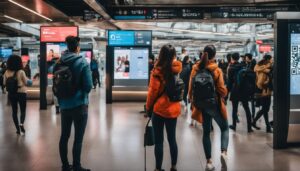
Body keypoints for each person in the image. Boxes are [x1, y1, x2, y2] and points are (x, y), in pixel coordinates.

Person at [188, 45, 229, 171]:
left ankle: (209, 162)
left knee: (206, 133)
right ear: (214, 56)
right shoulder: (216, 70)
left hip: (201, 105)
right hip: (214, 104)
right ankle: (223, 152)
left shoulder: (195, 68)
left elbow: (190, 89)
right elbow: (222, 91)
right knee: (224, 128)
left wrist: (192, 101)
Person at [57, 36, 93, 171]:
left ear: (67, 46)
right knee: (78, 138)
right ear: (78, 47)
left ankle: (65, 166)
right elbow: (88, 86)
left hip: (64, 105)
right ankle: (77, 166)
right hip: (79, 105)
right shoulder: (82, 62)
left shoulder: (59, 62)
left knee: (64, 136)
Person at [146, 44, 182, 171]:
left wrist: (148, 107)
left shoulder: (157, 72)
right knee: (172, 139)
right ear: (173, 56)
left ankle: (158, 168)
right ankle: (173, 166)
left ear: (161, 55)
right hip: (173, 109)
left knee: (159, 141)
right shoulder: (177, 70)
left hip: (159, 110)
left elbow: (152, 92)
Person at [3, 55, 32, 135]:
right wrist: (30, 81)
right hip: (21, 93)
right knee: (23, 110)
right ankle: (21, 124)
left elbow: (4, 83)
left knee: (14, 111)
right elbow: (26, 82)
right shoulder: (21, 72)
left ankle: (17, 130)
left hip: (12, 94)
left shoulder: (6, 72)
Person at [227, 52, 253, 133]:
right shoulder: (244, 66)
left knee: (234, 109)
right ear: (239, 58)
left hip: (235, 90)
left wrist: (227, 92)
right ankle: (249, 128)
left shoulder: (231, 68)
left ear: (232, 58)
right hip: (244, 90)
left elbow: (229, 82)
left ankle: (234, 125)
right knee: (247, 108)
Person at [252, 54, 273, 133]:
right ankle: (267, 127)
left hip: (265, 92)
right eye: (271, 59)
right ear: (268, 60)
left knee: (265, 109)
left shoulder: (262, 69)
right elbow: (260, 83)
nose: (272, 60)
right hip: (265, 92)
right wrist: (265, 85)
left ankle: (255, 122)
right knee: (265, 109)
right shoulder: (265, 70)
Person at [245, 53, 257, 119]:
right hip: (249, 85)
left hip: (252, 85)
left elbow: (253, 74)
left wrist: (246, 72)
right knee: (251, 101)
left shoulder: (253, 64)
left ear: (248, 57)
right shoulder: (249, 64)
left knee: (252, 101)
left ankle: (252, 114)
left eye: (246, 57)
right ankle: (252, 114)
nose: (245, 58)